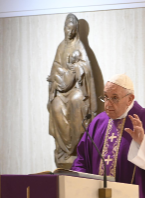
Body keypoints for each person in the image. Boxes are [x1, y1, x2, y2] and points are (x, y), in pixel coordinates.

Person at [47, 13, 97, 166]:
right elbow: (55, 67)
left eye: (71, 29)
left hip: (76, 88)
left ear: (76, 30)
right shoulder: (61, 47)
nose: (68, 32)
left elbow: (86, 69)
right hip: (61, 90)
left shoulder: (80, 46)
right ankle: (64, 149)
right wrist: (57, 79)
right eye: (66, 29)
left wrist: (76, 68)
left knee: (77, 100)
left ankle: (75, 149)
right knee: (55, 106)